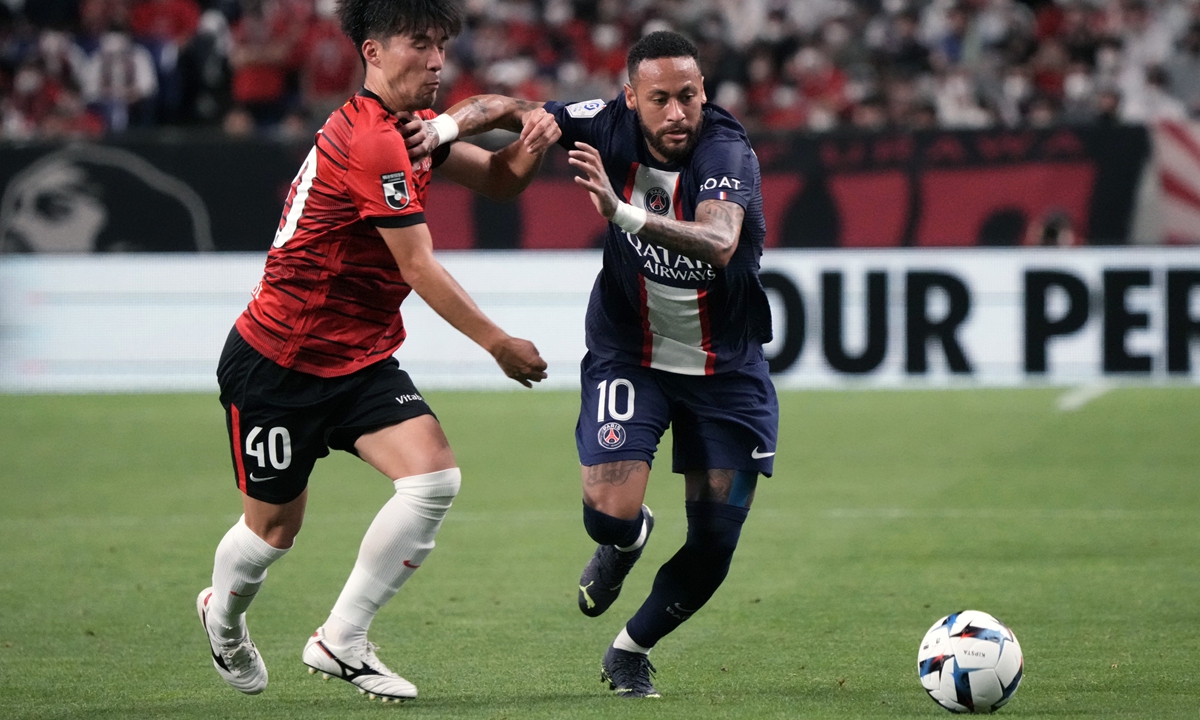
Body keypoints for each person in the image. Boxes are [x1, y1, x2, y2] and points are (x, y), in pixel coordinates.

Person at [195, 0, 557, 703]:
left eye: (441, 45)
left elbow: (499, 180)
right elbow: (417, 265)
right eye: (420, 44)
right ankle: (224, 617)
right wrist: (498, 343)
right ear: (373, 51)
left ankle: (342, 638)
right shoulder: (370, 139)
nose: (436, 60)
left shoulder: (411, 129)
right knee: (271, 533)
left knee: (433, 480)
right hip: (279, 361)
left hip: (358, 358)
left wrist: (532, 143)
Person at [419, 30, 777, 698]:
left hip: (725, 369)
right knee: (608, 513)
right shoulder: (602, 123)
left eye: (689, 95)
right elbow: (506, 109)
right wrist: (438, 130)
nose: (678, 113)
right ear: (630, 98)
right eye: (661, 99)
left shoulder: (725, 149)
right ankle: (627, 539)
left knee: (714, 543)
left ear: (705, 91)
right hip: (630, 352)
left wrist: (622, 214)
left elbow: (721, 240)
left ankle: (630, 651)